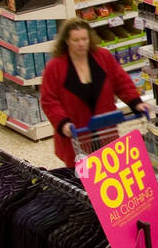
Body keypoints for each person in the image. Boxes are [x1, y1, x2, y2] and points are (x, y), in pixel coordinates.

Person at [40, 18, 150, 168]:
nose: (81, 43)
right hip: (77, 133)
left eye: (84, 39)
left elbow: (121, 82)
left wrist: (136, 103)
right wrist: (63, 123)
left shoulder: (103, 57)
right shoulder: (55, 67)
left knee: (110, 171)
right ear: (66, 41)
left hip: (105, 128)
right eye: (76, 40)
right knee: (81, 176)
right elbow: (49, 101)